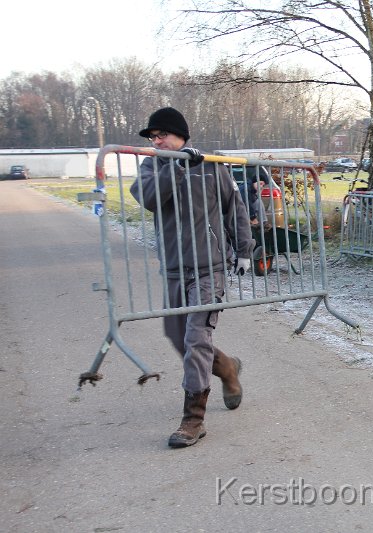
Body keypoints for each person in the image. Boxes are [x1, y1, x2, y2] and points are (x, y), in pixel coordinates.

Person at [130, 107, 255, 448]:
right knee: (177, 335)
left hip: (208, 268)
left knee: (196, 336)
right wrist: (178, 166)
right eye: (153, 137)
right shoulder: (151, 166)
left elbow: (235, 208)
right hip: (173, 267)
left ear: (181, 135)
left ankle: (193, 419)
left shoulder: (212, 166)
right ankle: (228, 367)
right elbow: (151, 199)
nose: (156, 141)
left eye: (162, 135)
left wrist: (244, 249)